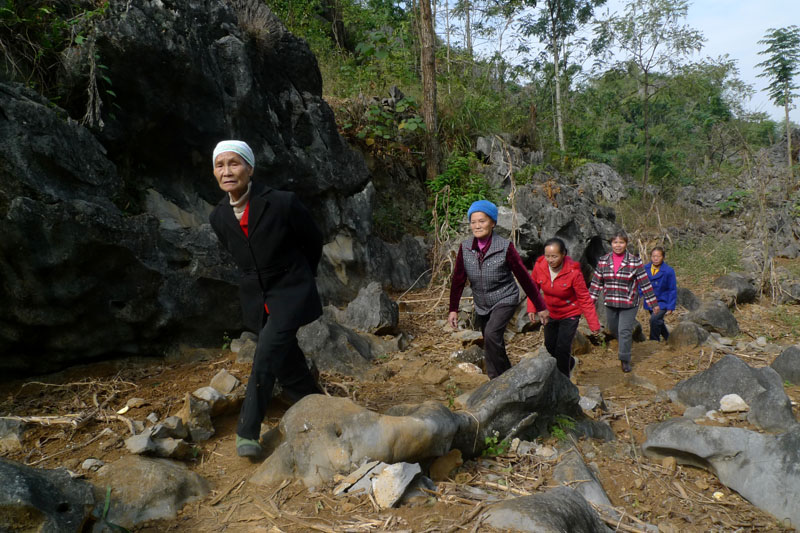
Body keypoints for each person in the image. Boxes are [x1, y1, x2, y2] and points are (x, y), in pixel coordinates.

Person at [208, 140, 323, 458]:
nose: (227, 171)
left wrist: (301, 277)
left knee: (265, 356)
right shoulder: (218, 216)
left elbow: (313, 239)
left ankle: (247, 430)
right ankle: (314, 402)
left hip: (291, 289)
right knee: (286, 358)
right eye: (220, 165)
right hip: (257, 297)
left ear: (250, 168)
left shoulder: (282, 202)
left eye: (234, 163)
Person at [448, 200, 550, 379]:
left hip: (505, 298)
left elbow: (524, 278)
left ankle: (497, 380)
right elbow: (458, 280)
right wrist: (453, 309)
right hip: (482, 302)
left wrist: (540, 306)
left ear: (493, 223)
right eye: (473, 222)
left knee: (491, 334)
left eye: (482, 221)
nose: (477, 226)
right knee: (492, 342)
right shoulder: (465, 248)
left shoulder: (504, 247)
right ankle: (509, 376)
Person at [526, 238, 602, 377]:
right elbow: (533, 288)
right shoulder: (540, 266)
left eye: (554, 256)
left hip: (570, 313)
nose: (550, 260)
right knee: (550, 347)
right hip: (549, 312)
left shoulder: (573, 272)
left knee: (562, 348)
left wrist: (593, 323)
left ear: (563, 254)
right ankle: (570, 363)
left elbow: (584, 298)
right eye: (547, 256)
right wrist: (532, 307)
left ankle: (563, 380)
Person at [588, 230, 659, 373]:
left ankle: (624, 359)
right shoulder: (603, 261)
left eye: (621, 242)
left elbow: (644, 283)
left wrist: (653, 304)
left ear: (626, 244)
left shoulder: (634, 261)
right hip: (611, 302)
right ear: (611, 244)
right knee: (614, 329)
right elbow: (596, 284)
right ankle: (625, 344)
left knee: (624, 330)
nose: (618, 245)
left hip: (629, 302)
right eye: (615, 242)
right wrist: (589, 303)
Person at [643, 246, 677, 341]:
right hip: (650, 300)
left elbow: (672, 289)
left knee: (654, 319)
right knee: (658, 321)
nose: (656, 258)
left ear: (663, 257)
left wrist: (670, 306)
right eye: (653, 256)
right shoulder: (645, 268)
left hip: (663, 301)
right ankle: (668, 338)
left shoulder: (668, 271)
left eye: (658, 256)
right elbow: (641, 284)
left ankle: (654, 341)